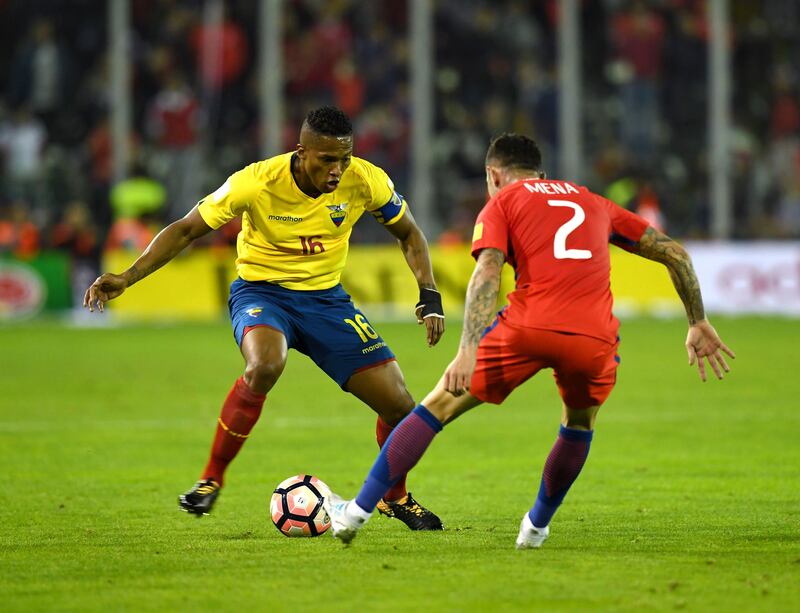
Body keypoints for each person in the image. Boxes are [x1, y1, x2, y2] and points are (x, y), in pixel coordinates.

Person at [324, 133, 735, 547]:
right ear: (541, 172)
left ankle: (356, 512)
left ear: (494, 175)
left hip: (528, 325)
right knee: (578, 422)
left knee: (438, 406)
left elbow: (487, 271)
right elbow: (675, 253)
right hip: (593, 335)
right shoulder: (594, 201)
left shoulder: (502, 202)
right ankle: (536, 527)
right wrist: (697, 321)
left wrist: (467, 350)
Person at [84, 106, 446, 530]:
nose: (337, 170)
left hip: (327, 302)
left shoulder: (366, 180)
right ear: (301, 152)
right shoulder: (256, 181)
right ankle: (211, 480)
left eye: (344, 159)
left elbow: (410, 234)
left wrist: (429, 291)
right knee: (265, 365)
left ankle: (394, 497)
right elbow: (185, 229)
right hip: (262, 294)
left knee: (400, 406)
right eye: (327, 160)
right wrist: (128, 276)